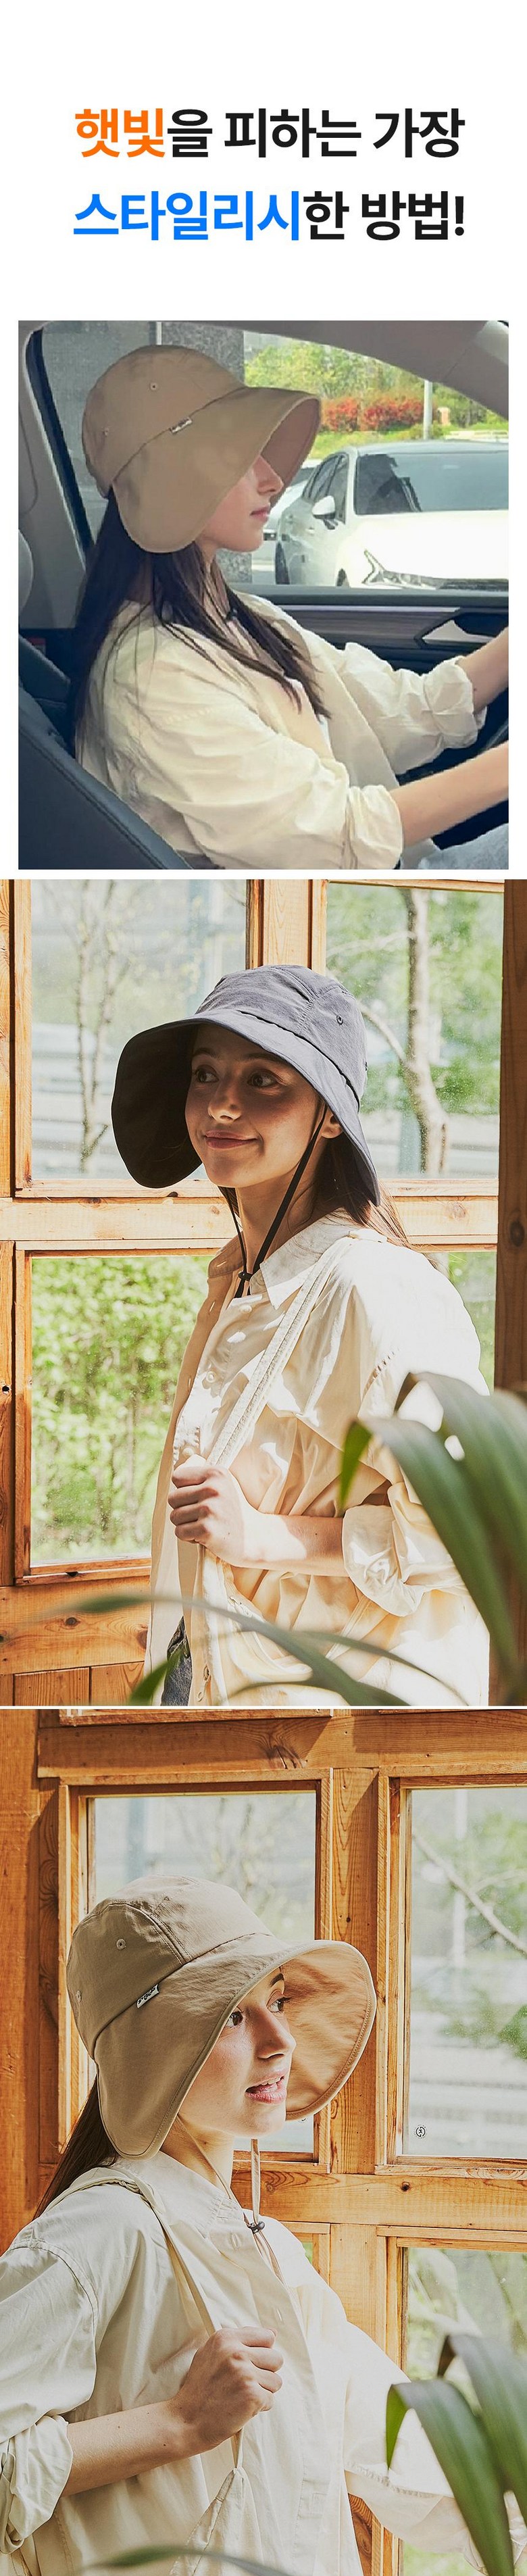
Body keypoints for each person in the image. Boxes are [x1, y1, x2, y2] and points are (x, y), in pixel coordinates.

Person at [0, 1878, 499, 2576]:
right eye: (232, 2015)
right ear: (154, 2045)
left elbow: (396, 2443)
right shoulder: (100, 2233)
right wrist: (175, 2424)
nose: (279, 2039)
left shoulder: (266, 2251)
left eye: (277, 2000)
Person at [111, 963, 489, 1709]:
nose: (222, 1103)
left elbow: (476, 1526)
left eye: (264, 1080)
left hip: (333, 1727)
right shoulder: (239, 1279)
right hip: (221, 1684)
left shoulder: (377, 1289)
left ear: (330, 1115)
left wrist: (263, 1536)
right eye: (205, 1073)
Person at [71, 344, 508, 874]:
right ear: (172, 480)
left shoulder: (241, 616)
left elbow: (401, 711)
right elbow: (334, 835)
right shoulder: (154, 679)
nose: (273, 480)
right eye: (237, 458)